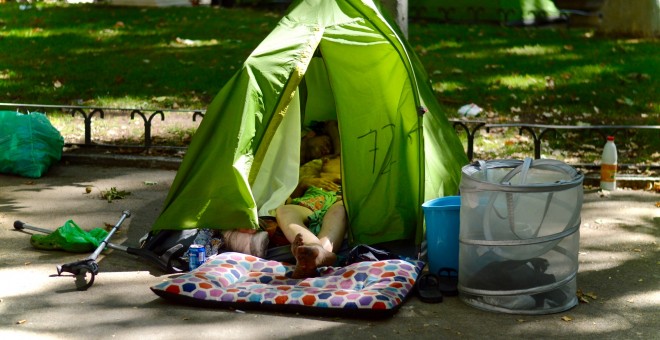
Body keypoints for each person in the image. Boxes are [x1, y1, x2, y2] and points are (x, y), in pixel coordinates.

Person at [276, 120, 347, 279]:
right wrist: (306, 183)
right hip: (313, 198)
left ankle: (317, 254)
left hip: (339, 198)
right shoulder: (313, 170)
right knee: (284, 210)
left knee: (339, 211)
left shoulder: (348, 169)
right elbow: (290, 193)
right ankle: (317, 250)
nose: (326, 152)